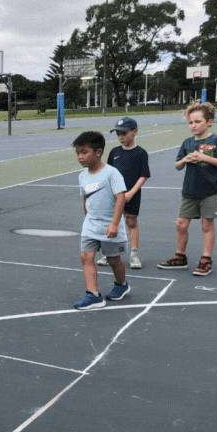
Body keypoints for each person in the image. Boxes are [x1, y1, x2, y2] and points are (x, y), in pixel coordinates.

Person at [158, 102, 217, 276]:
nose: (194, 125)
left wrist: (204, 157)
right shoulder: (187, 143)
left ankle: (206, 259)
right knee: (181, 224)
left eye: (198, 122)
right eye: (191, 122)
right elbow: (177, 165)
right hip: (189, 191)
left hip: (210, 191)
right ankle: (180, 257)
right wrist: (185, 160)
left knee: (207, 225)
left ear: (209, 122)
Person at [72, 131, 131, 310]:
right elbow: (85, 200)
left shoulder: (111, 173)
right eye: (77, 153)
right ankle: (93, 296)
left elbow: (121, 198)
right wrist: (87, 220)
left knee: (113, 260)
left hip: (110, 226)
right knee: (86, 257)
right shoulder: (82, 176)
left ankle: (122, 285)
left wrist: (114, 223)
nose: (80, 157)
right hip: (91, 226)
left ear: (98, 152)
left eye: (84, 152)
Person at [97, 117, 150, 269]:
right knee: (113, 222)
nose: (120, 137)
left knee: (131, 222)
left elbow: (144, 175)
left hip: (131, 195)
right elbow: (108, 173)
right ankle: (110, 254)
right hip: (114, 195)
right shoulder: (114, 152)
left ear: (135, 132)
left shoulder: (141, 153)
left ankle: (134, 254)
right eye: (118, 134)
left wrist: (131, 193)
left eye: (124, 133)